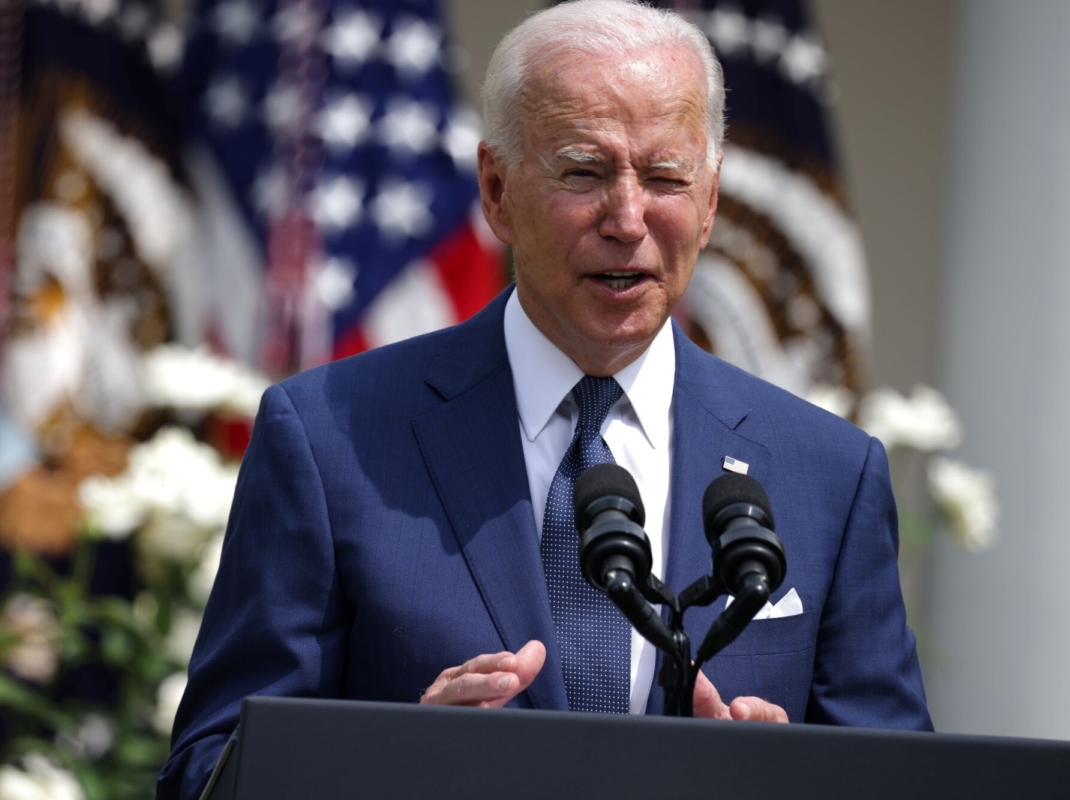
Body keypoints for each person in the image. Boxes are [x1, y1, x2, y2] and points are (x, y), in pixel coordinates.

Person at [157, 1, 931, 796]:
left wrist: (791, 783)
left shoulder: (828, 476)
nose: (627, 220)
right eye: (585, 173)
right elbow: (203, 777)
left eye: (665, 177)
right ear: (497, 190)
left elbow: (902, 783)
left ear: (709, 201)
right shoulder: (328, 441)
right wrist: (390, 764)